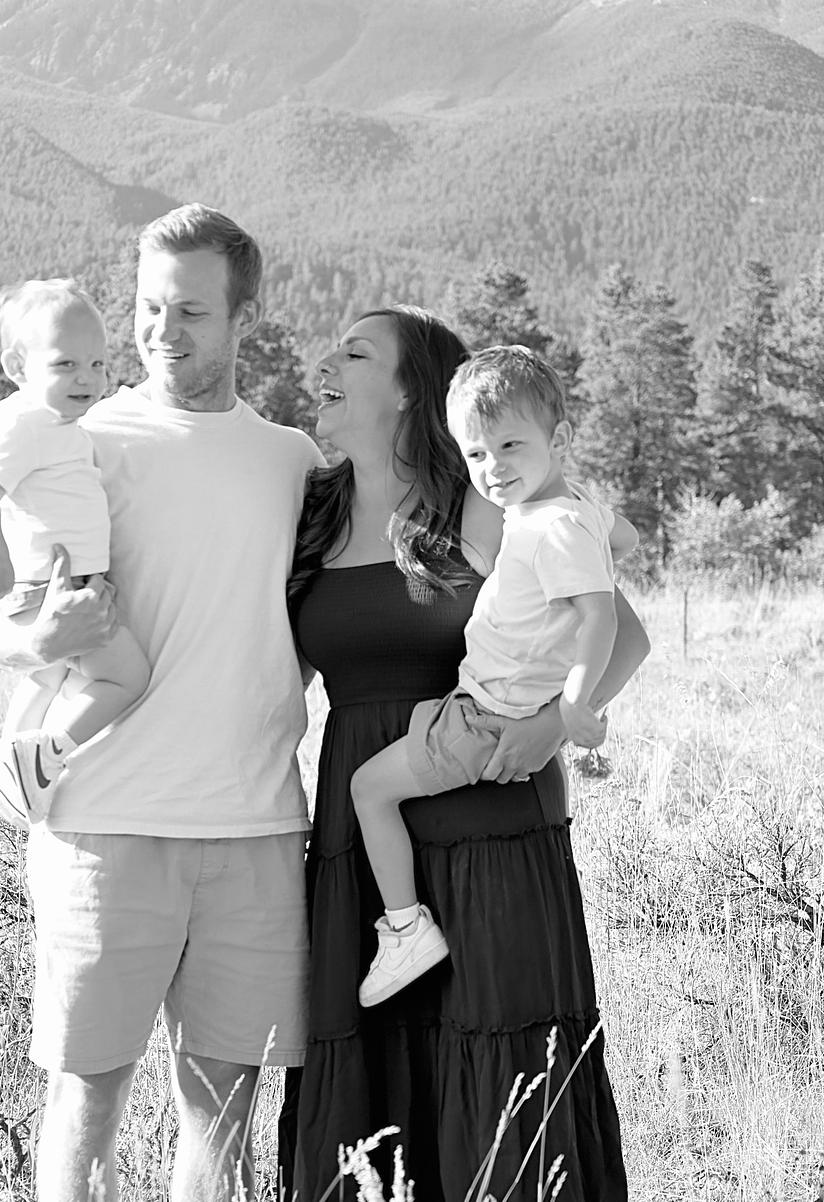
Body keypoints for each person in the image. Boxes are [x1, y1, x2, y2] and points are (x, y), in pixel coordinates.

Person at [0, 206, 321, 1202]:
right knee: (86, 1105)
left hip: (253, 829)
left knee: (225, 1122)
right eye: (150, 306)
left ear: (245, 316)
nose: (163, 330)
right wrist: (35, 641)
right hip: (100, 827)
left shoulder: (294, 461)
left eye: (192, 311)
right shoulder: (80, 435)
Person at [279, 305, 648, 1201]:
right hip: (366, 841)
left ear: (412, 390)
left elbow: (623, 636)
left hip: (489, 819)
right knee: (374, 1080)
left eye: (354, 352)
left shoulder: (483, 504)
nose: (325, 364)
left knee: (500, 1063)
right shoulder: (313, 512)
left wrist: (554, 724)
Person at [349, 344, 639, 1007]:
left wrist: (574, 705)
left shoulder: (553, 528)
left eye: (510, 446)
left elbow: (600, 617)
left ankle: (405, 930)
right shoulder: (571, 511)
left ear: (559, 440)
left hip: (486, 722)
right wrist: (594, 536)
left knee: (370, 790)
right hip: (480, 706)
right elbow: (624, 538)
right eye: (476, 454)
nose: (493, 468)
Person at [0, 279, 151, 827]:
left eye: (97, 363)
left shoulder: (58, 423)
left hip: (66, 583)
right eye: (66, 364)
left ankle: (11, 762)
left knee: (47, 677)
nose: (87, 378)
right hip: (56, 588)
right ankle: (49, 753)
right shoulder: (23, 422)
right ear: (17, 367)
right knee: (127, 677)